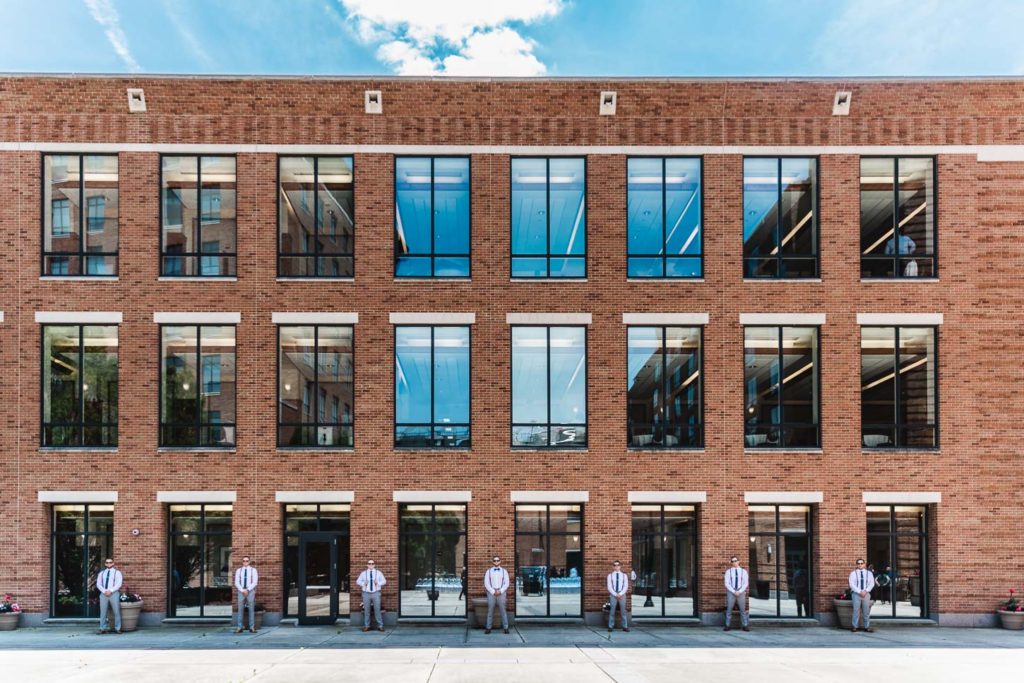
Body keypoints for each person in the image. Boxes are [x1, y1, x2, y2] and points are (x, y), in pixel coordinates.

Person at [356, 559, 386, 632]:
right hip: (366, 593)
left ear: (374, 565)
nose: (371, 565)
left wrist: (378, 583)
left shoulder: (378, 573)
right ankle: (367, 626)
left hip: (376, 593)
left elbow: (384, 581)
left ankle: (380, 626)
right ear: (367, 565)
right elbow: (358, 581)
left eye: (372, 563)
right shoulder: (363, 573)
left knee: (377, 610)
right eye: (369, 563)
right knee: (367, 611)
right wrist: (363, 583)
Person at [96, 558, 123, 634]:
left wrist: (110, 591)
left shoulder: (117, 573)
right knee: (103, 612)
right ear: (105, 564)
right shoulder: (101, 573)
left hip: (114, 593)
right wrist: (104, 591)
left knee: (116, 611)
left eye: (110, 562)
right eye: (107, 562)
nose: (109, 564)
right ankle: (102, 628)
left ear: (113, 563)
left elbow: (119, 584)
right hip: (103, 594)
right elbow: (98, 584)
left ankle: (118, 628)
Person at [483, 555, 510, 634]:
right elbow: (486, 583)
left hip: (501, 593)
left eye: (497, 560)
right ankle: (488, 628)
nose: (496, 562)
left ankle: (506, 628)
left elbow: (507, 583)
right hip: (491, 593)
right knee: (490, 611)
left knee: (503, 611)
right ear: (492, 562)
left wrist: (500, 591)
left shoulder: (504, 571)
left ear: (500, 561)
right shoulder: (489, 571)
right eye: (494, 560)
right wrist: (493, 591)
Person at [233, 555, 259, 634]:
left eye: (247, 561)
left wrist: (247, 590)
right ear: (242, 562)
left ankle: (252, 627)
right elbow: (236, 582)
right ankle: (239, 627)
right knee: (240, 609)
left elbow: (255, 582)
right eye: (244, 561)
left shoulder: (253, 570)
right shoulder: (238, 570)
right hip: (241, 591)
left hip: (250, 591)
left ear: (249, 562)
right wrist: (242, 590)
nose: (245, 562)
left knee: (251, 609)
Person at [723, 556, 749, 632]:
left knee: (742, 609)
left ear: (738, 561)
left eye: (735, 561)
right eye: (732, 561)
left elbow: (745, 583)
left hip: (741, 592)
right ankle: (727, 625)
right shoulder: (728, 571)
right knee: (729, 609)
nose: (734, 562)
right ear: (731, 562)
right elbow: (727, 583)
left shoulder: (743, 571)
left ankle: (745, 625)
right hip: (731, 592)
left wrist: (739, 591)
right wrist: (734, 591)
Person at [849, 558, 875, 632]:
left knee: (866, 611)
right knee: (856, 611)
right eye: (858, 563)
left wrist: (865, 591)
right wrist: (859, 591)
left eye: (861, 563)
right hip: (856, 594)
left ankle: (867, 627)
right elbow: (852, 584)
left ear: (864, 564)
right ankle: (855, 626)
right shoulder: (853, 573)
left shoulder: (869, 573)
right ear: (856, 565)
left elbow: (872, 583)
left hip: (866, 594)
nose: (860, 565)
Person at [606, 560, 630, 632]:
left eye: (618, 565)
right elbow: (609, 587)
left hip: (622, 594)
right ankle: (610, 626)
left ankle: (625, 626)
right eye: (615, 565)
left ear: (620, 566)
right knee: (612, 611)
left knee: (623, 611)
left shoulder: (624, 575)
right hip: (613, 594)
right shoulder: (610, 575)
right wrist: (616, 594)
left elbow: (626, 586)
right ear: (613, 567)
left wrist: (620, 594)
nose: (616, 567)